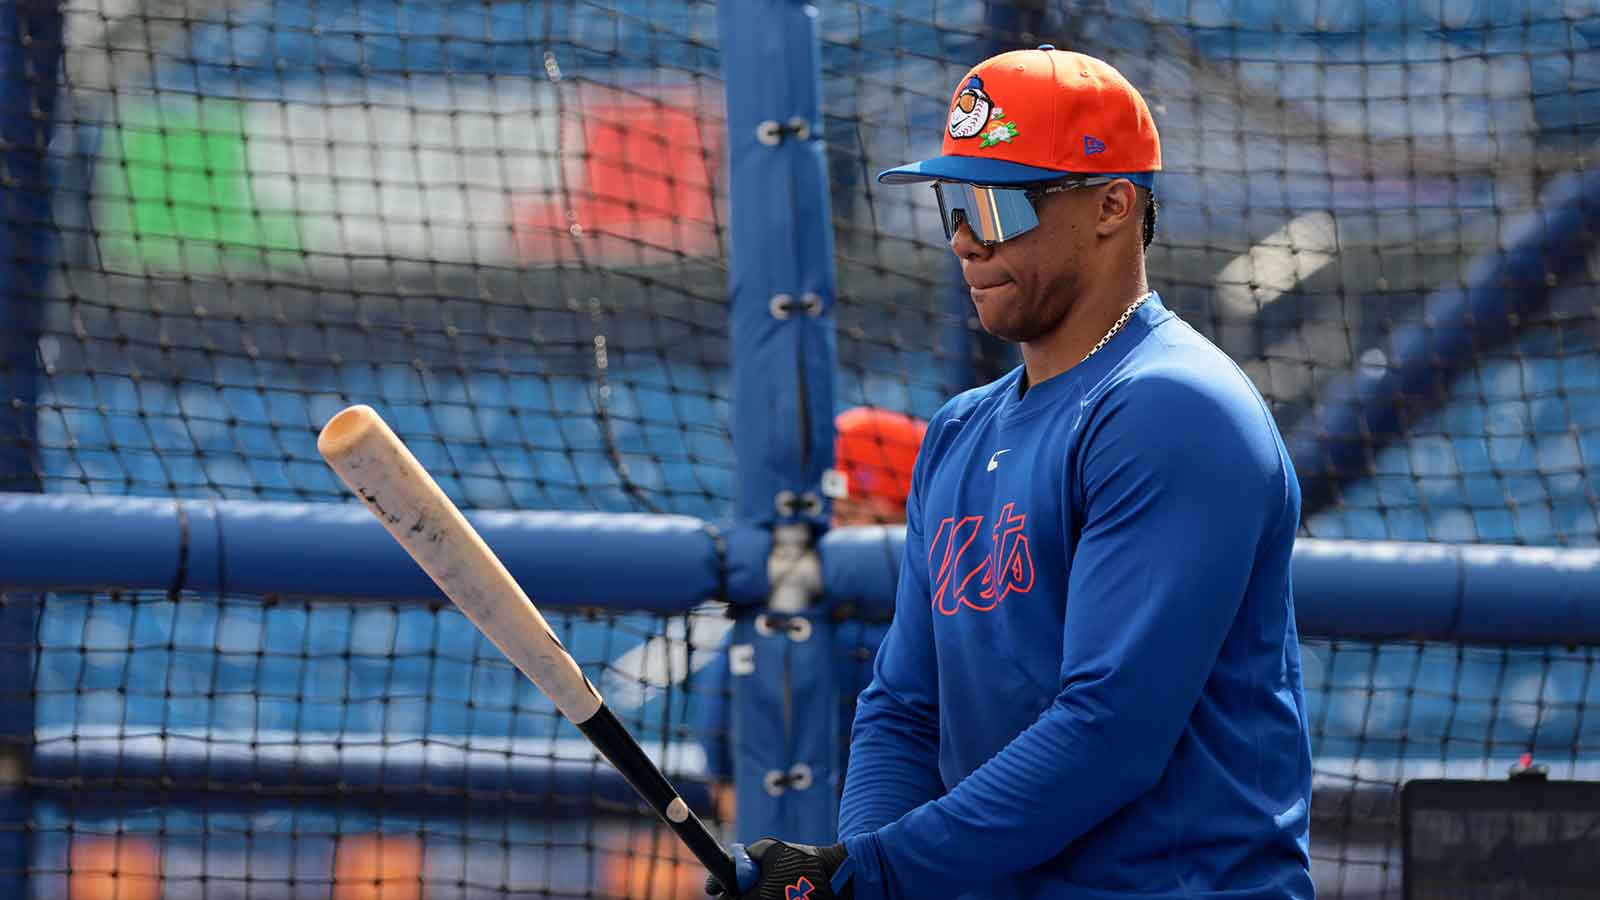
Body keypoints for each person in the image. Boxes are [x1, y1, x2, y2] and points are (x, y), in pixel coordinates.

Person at [710, 46, 1314, 900]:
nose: (962, 238)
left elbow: (1111, 732)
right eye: (954, 202)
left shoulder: (1172, 406)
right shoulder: (960, 430)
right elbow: (903, 708)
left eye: (996, 204)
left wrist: (877, 874)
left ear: (1112, 206)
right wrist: (862, 871)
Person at [696, 406, 927, 822]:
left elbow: (724, 784)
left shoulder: (779, 605)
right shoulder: (789, 604)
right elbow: (723, 779)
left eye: (850, 510)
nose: (832, 522)